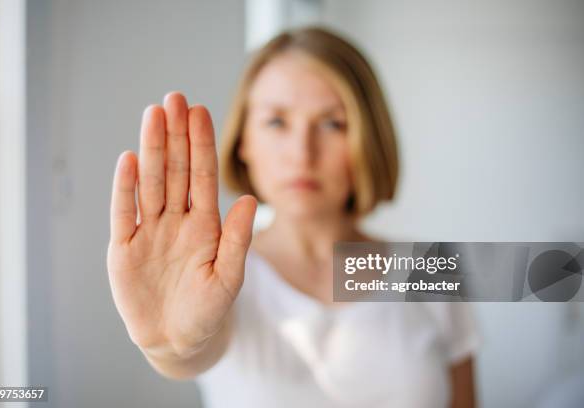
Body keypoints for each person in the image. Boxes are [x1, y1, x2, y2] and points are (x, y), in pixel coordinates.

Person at [106, 26, 482, 407]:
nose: (302, 153)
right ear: (244, 143)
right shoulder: (212, 275)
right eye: (276, 122)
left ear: (369, 139)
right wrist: (168, 348)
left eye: (332, 123)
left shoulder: (435, 269)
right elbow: (190, 349)